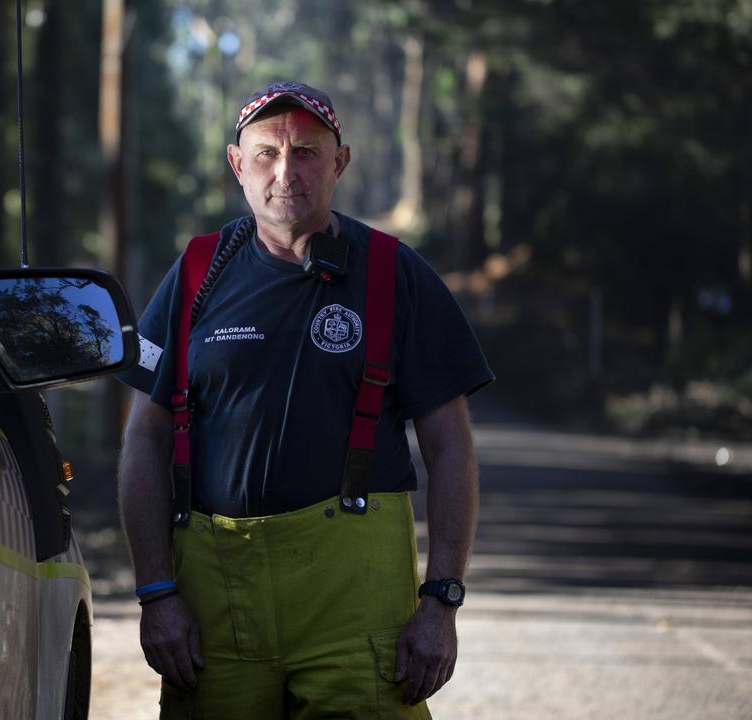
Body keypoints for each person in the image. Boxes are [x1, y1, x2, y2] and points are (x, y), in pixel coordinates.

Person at [117, 81, 493, 719]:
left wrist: (441, 599)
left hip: (354, 605)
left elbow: (451, 444)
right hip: (217, 606)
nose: (285, 172)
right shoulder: (196, 273)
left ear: (339, 162)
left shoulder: (394, 273)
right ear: (237, 165)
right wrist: (157, 592)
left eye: (308, 152)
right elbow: (145, 439)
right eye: (265, 153)